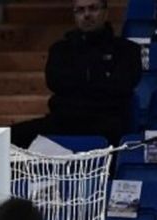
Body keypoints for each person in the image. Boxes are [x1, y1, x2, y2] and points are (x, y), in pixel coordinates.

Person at [10, 0, 141, 148]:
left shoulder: (127, 51)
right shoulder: (60, 50)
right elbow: (55, 82)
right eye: (80, 10)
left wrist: (80, 84)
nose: (86, 15)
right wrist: (100, 81)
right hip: (64, 121)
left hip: (107, 123)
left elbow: (121, 87)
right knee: (10, 136)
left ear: (105, 13)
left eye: (93, 9)